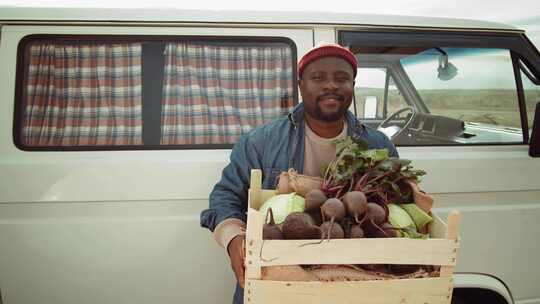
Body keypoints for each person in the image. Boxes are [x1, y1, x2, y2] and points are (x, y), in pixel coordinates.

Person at [200, 43, 398, 304]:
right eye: (318, 78)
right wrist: (234, 238)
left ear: (353, 86)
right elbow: (225, 196)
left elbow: (401, 200)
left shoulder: (378, 145)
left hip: (354, 280)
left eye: (342, 78)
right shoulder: (261, 142)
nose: (331, 86)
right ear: (300, 84)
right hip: (279, 278)